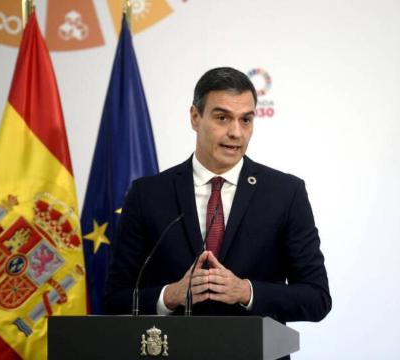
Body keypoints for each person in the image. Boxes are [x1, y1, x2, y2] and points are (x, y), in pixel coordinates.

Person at [104, 67, 331, 323]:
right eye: (222, 118)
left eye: (245, 120)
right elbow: (114, 300)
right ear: (195, 117)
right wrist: (170, 296)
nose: (236, 132)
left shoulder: (285, 193)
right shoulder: (147, 194)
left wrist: (246, 292)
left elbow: (317, 298)